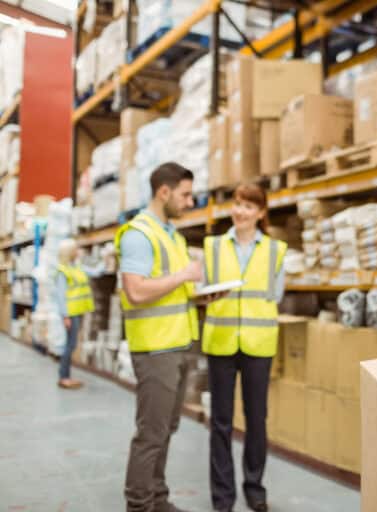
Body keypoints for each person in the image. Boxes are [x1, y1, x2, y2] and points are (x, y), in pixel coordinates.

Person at [116, 162, 223, 512]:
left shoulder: (172, 235)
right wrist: (184, 276)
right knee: (150, 434)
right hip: (155, 348)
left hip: (178, 344)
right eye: (185, 194)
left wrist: (199, 295)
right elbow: (136, 291)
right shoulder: (139, 234)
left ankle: (157, 497)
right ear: (164, 191)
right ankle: (139, 505)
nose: (190, 201)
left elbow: (170, 291)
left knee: (166, 428)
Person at [201, 182, 286, 512]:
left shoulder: (275, 250)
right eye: (237, 203)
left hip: (258, 343)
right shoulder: (213, 246)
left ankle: (255, 488)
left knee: (256, 419)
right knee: (220, 421)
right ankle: (223, 497)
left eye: (249, 206)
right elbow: (203, 288)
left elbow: (275, 294)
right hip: (221, 341)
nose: (240, 211)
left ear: (261, 213)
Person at [55, 238, 94, 389]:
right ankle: (64, 377)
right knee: (70, 345)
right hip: (70, 314)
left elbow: (94, 272)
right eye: (76, 249)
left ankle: (65, 376)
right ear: (70, 252)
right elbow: (60, 295)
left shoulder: (76, 267)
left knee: (71, 344)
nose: (79, 251)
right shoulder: (62, 271)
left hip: (77, 311)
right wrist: (65, 316)